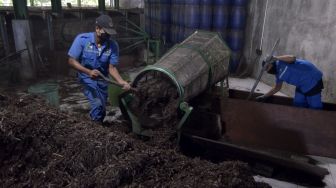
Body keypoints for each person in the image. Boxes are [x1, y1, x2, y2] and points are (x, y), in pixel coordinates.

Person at [68, 14, 131, 123]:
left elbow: (112, 68)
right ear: (97, 29)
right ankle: (94, 130)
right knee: (97, 104)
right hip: (87, 77)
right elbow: (71, 60)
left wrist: (122, 82)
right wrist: (88, 71)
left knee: (102, 109)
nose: (108, 36)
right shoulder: (82, 40)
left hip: (102, 80)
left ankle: (95, 125)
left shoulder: (113, 45)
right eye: (106, 33)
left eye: (110, 34)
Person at [256, 55, 324, 109]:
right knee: (298, 103)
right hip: (301, 85)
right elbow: (277, 88)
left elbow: (293, 58)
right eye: (266, 70)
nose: (268, 71)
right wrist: (264, 96)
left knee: (315, 107)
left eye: (267, 67)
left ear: (271, 63)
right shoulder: (278, 74)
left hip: (312, 80)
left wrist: (275, 57)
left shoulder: (281, 61)